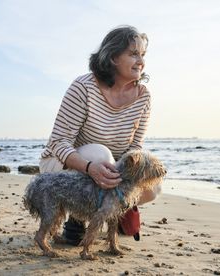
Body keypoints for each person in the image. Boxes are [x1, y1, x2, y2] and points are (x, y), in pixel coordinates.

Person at [39, 25, 160, 245]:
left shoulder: (144, 96)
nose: (141, 61)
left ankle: (108, 211)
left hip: (109, 168)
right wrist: (89, 168)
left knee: (152, 187)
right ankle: (76, 219)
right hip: (64, 165)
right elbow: (58, 142)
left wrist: (125, 176)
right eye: (133, 54)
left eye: (143, 55)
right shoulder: (83, 87)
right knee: (100, 154)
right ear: (113, 57)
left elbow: (135, 146)